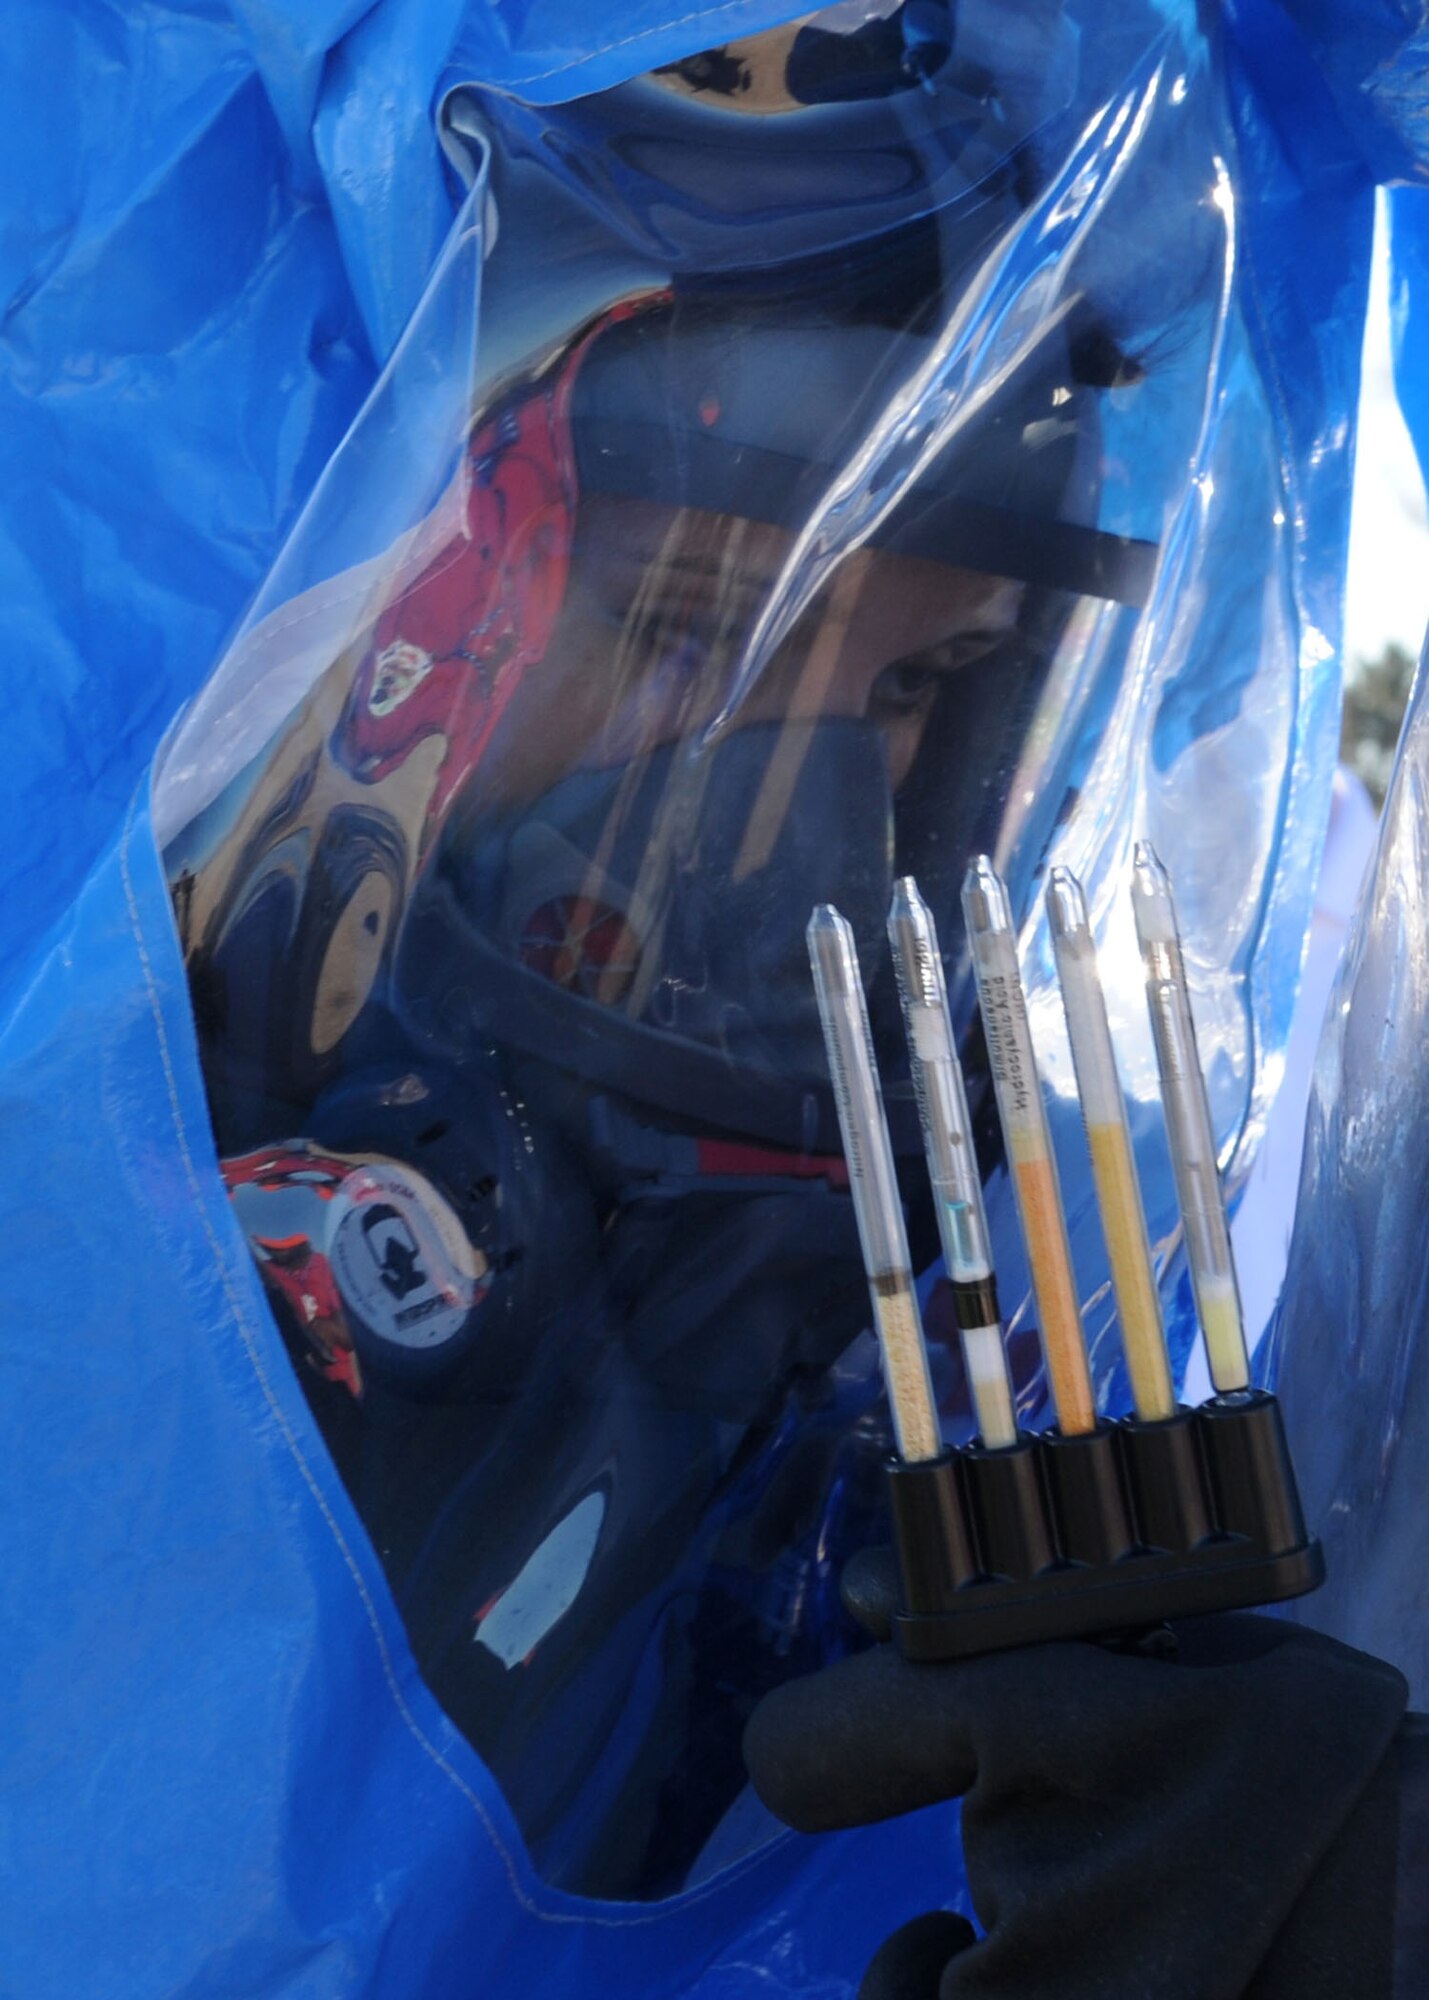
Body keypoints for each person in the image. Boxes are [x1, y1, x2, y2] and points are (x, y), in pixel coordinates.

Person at [161, 0, 1339, 1921]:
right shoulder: (121, 1190)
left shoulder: (1008, 1349)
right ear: (429, 607)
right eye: (692, 631)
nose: (803, 811)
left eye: (926, 685)